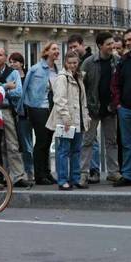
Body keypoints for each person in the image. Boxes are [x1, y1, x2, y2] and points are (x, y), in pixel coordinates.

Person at [80, 32, 121, 187]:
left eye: (112, 44)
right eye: (108, 44)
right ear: (100, 46)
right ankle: (83, 174)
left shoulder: (117, 61)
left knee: (111, 142)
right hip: (92, 109)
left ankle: (113, 173)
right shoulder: (89, 63)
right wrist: (83, 106)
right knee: (88, 141)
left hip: (110, 109)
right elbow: (80, 84)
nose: (112, 47)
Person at [46, 51, 90, 190]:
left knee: (77, 150)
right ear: (65, 63)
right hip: (66, 120)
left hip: (78, 119)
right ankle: (63, 180)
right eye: (70, 63)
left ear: (78, 63)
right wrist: (66, 118)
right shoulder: (62, 78)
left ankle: (75, 178)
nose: (72, 65)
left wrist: (86, 116)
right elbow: (59, 100)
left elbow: (82, 100)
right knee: (64, 150)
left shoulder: (79, 76)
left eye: (75, 63)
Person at [17, 41, 60, 185]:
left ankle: (46, 173)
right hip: (37, 107)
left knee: (48, 141)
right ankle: (39, 175)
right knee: (41, 140)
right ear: (46, 52)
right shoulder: (35, 69)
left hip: (51, 108)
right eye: (54, 49)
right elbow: (24, 90)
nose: (57, 51)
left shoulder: (57, 70)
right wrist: (22, 108)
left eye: (58, 49)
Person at [0, 48, 31, 187]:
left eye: (0, 55)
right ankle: (3, 176)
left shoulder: (13, 73)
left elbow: (18, 92)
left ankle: (18, 176)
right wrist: (6, 87)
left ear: (5, 57)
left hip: (8, 111)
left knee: (13, 145)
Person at [67, 34, 101, 183]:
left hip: (90, 105)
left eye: (75, 46)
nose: (73, 49)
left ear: (82, 45)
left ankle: (93, 170)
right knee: (84, 140)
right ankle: (82, 171)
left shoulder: (91, 60)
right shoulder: (75, 63)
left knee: (91, 139)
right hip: (78, 105)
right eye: (70, 48)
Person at [9, 52, 34, 182]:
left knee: (27, 145)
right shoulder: (10, 77)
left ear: (21, 63)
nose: (13, 64)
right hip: (15, 113)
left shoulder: (28, 76)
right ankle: (22, 172)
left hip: (28, 113)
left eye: (16, 61)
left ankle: (30, 171)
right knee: (18, 145)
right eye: (11, 62)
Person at [111, 28, 131, 187]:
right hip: (125, 108)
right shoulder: (123, 61)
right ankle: (127, 174)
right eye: (127, 40)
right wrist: (118, 103)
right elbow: (116, 84)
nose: (129, 42)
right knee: (126, 144)